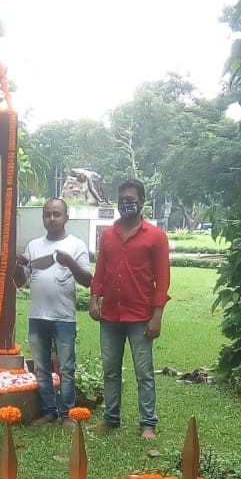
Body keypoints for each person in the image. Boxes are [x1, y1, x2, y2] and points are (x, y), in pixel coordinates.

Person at [89, 179, 171, 440]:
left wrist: (157, 316)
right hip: (110, 314)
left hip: (140, 316)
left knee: (143, 372)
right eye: (122, 198)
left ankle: (148, 423)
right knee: (110, 370)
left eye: (131, 198)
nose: (127, 203)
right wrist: (93, 298)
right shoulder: (109, 235)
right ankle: (111, 418)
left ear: (142, 201)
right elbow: (101, 269)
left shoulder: (156, 237)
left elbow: (163, 279)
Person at [13, 198, 92, 424]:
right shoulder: (34, 245)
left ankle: (67, 413)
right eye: (48, 214)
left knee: (66, 367)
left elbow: (88, 281)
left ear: (66, 217)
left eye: (57, 214)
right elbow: (19, 282)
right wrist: (17, 265)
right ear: (43, 218)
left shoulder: (76, 245)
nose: (52, 218)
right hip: (37, 316)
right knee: (41, 367)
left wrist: (70, 263)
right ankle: (49, 411)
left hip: (64, 318)